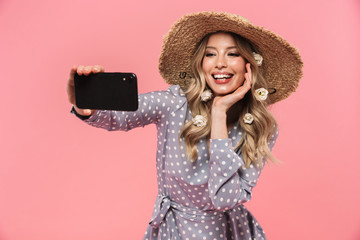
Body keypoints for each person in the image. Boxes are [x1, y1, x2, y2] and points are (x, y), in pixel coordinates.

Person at [67, 11, 303, 240]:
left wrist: (219, 114)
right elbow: (121, 116)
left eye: (232, 54)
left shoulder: (261, 127)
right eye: (210, 54)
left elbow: (225, 199)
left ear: (249, 65)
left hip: (231, 231)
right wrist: (85, 104)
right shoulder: (174, 103)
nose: (220, 63)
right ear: (200, 64)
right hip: (175, 230)